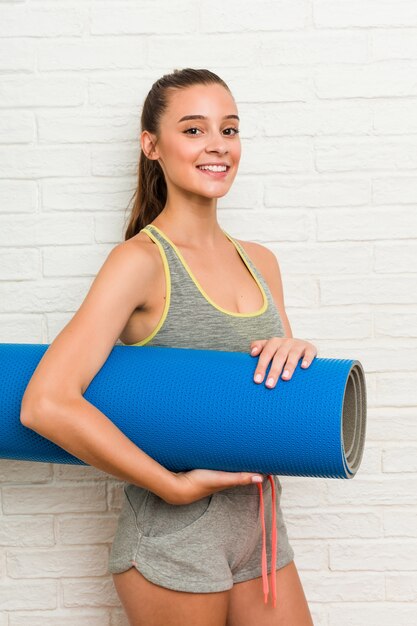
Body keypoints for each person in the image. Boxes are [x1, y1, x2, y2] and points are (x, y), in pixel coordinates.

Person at [20, 68, 317, 626]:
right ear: (151, 145)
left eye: (229, 130)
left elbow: (269, 403)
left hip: (261, 525)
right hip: (175, 535)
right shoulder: (141, 262)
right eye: (194, 130)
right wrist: (171, 486)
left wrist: (298, 356)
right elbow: (46, 401)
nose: (217, 146)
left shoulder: (263, 262)